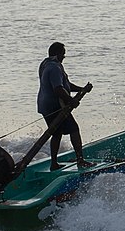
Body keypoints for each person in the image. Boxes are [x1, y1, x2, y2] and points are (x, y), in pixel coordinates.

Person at [37, 41, 93, 171]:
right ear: (57, 54)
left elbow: (66, 85)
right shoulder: (54, 68)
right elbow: (58, 89)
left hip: (44, 105)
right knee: (74, 129)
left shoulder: (46, 64)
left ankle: (54, 163)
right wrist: (70, 100)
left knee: (56, 133)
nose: (63, 57)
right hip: (54, 106)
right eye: (63, 54)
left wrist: (82, 89)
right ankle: (80, 160)